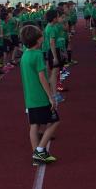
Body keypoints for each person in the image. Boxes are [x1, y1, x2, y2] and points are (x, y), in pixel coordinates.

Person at [19, 24, 60, 165]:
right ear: (38, 40)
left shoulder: (25, 54)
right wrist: (50, 96)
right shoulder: (37, 55)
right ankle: (40, 150)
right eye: (41, 35)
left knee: (34, 126)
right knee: (55, 121)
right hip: (40, 96)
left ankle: (36, 156)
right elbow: (42, 78)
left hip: (30, 97)